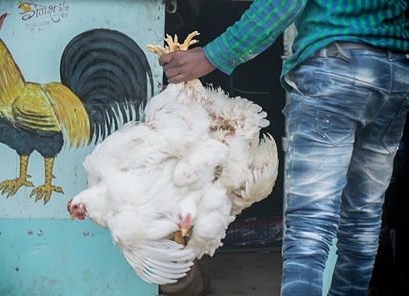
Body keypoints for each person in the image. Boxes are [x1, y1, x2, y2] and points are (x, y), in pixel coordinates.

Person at [158, 1, 409, 295]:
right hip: (394, 74)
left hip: (335, 69)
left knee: (310, 223)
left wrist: (213, 54)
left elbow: (282, 4)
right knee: (362, 219)